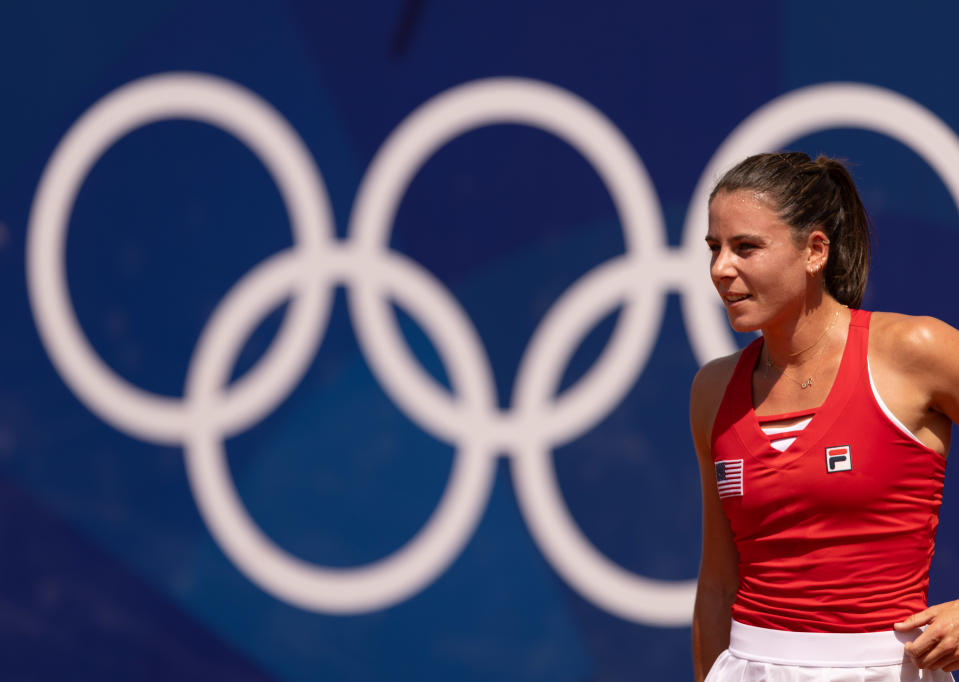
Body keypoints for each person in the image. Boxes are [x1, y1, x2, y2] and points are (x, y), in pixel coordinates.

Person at [690, 151, 959, 681]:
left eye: (746, 247)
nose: (722, 269)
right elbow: (719, 582)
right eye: (714, 248)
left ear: (815, 251)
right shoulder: (712, 388)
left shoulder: (916, 348)